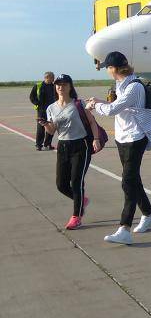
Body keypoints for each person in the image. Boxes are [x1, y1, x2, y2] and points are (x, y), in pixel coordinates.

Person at [86, 51, 151, 245]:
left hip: (135, 138)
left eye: (107, 67)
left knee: (127, 182)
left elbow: (112, 110)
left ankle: (124, 228)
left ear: (114, 68)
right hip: (122, 138)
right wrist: (99, 102)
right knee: (133, 179)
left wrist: (96, 106)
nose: (106, 70)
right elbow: (117, 106)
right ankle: (148, 215)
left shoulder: (134, 87)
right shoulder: (122, 84)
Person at [40, 74, 102, 229]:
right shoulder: (51, 108)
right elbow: (52, 131)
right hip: (63, 146)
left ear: (70, 87)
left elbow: (92, 122)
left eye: (64, 84)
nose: (60, 87)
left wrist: (96, 139)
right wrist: (45, 125)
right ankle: (81, 200)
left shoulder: (78, 104)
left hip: (81, 145)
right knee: (61, 184)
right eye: (58, 84)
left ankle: (76, 216)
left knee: (76, 182)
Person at [30, 72, 57, 150]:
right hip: (41, 110)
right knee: (41, 128)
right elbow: (32, 96)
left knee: (51, 126)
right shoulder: (38, 86)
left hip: (52, 110)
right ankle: (39, 144)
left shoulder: (54, 86)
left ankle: (47, 144)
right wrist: (37, 103)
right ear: (47, 77)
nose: (53, 79)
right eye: (52, 77)